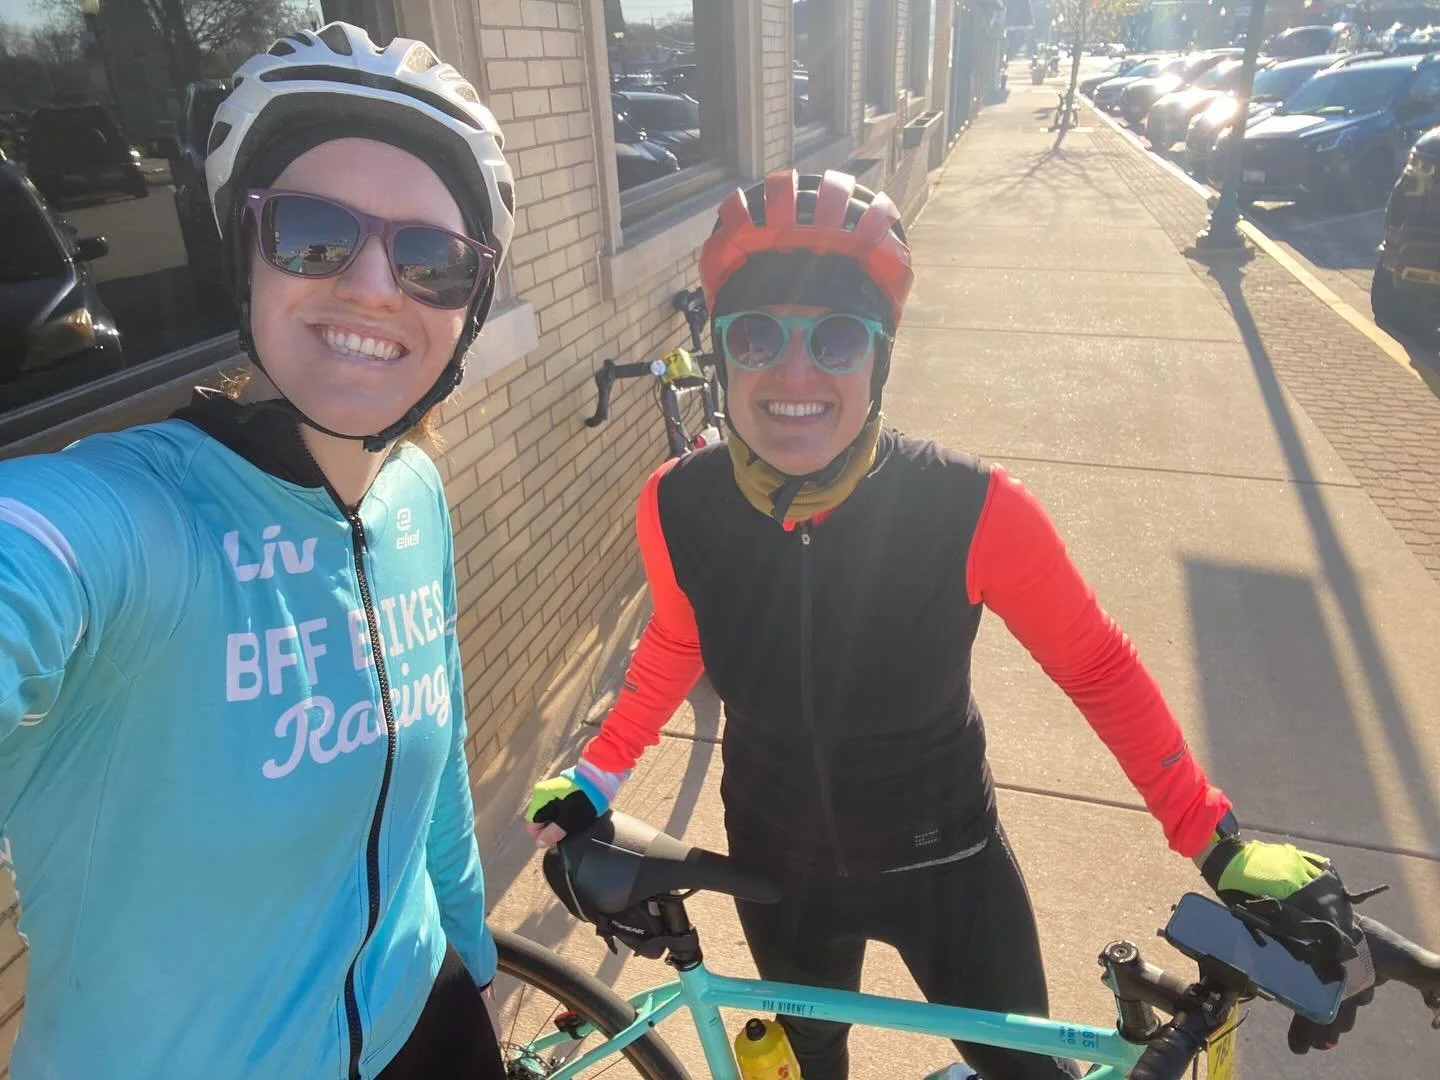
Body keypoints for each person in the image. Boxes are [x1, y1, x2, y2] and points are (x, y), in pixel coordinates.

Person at [526, 169, 1381, 1078]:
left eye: (840, 338)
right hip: (781, 868)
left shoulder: (971, 507)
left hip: (948, 865)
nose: (796, 374)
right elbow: (676, 639)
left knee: (1020, 1067)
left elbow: (1094, 665)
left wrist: (1213, 839)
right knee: (809, 1060)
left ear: (881, 357)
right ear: (723, 356)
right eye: (760, 334)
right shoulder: (673, 504)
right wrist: (599, 770)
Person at [0, 23, 514, 1080]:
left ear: (469, 308)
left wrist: (470, 950)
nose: (377, 287)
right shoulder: (130, 525)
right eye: (314, 233)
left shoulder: (415, 494)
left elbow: (439, 766)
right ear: (241, 252)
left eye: (431, 260)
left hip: (429, 1022)